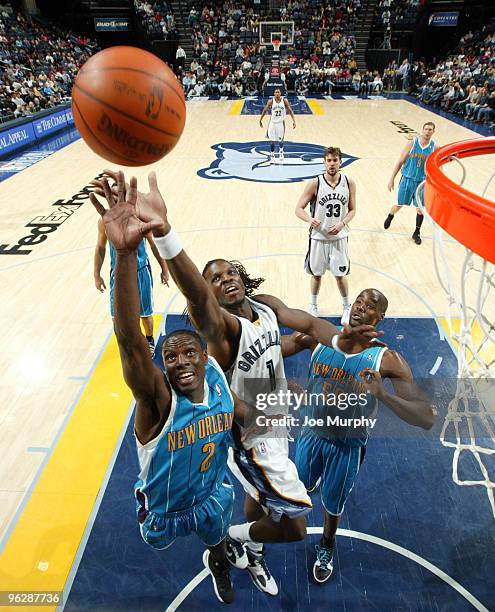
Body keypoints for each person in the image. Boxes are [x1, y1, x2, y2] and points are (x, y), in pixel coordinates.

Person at [92, 170, 381, 597]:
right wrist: (167, 236)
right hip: (250, 431)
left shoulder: (263, 309)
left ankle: (251, 549)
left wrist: (326, 342)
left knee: (255, 496)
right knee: (297, 523)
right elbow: (198, 303)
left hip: (274, 419)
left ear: (243, 279)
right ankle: (237, 542)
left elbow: (290, 334)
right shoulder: (221, 330)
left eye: (230, 273)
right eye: (214, 278)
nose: (224, 278)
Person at [90, 172, 268, 605]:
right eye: (171, 357)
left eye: (190, 353)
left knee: (216, 541)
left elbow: (237, 410)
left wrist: (260, 421)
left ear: (206, 357)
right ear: (163, 369)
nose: (183, 361)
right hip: (165, 510)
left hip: (210, 497)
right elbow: (132, 340)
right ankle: (211, 551)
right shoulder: (158, 400)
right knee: (160, 544)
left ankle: (218, 563)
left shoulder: (218, 381)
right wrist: (125, 255)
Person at [282, 288, 435, 583]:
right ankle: (310, 483)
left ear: (380, 317)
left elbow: (425, 417)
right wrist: (280, 381)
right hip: (310, 433)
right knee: (302, 484)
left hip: (346, 446)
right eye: (359, 302)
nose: (361, 308)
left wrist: (383, 396)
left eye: (370, 306)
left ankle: (327, 543)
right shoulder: (321, 338)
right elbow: (273, 348)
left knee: (332, 504)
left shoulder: (387, 360)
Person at [295, 146, 356, 322]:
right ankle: (313, 305)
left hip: (339, 237)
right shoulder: (315, 183)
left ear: (340, 162)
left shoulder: (349, 182)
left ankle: (346, 307)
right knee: (316, 274)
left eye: (335, 160)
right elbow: (298, 209)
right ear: (324, 162)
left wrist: (342, 223)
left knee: (340, 275)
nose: (332, 164)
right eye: (328, 160)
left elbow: (353, 210)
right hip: (318, 237)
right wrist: (309, 219)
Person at [93, 218, 169, 354]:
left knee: (145, 314)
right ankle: (125, 342)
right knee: (116, 315)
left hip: (140, 272)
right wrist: (96, 275)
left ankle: (149, 339)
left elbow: (153, 244)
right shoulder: (104, 220)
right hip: (118, 273)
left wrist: (164, 268)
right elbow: (100, 246)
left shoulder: (138, 218)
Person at [384, 122, 436, 245]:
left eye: (430, 130)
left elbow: (440, 163)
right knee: (398, 205)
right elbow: (400, 161)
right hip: (407, 179)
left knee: (420, 209)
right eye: (426, 129)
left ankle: (416, 232)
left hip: (422, 183)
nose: (428, 131)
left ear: (433, 132)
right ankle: (390, 215)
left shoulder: (434, 147)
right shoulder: (412, 143)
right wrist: (391, 179)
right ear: (422, 130)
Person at [259, 88, 296, 163]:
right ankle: (272, 154)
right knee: (272, 140)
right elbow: (265, 110)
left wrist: (294, 121)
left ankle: (281, 152)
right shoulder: (271, 101)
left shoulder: (284, 101)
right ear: (274, 94)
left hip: (280, 123)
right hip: (272, 123)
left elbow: (290, 110)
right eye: (275, 92)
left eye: (278, 92)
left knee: (280, 140)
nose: (277, 93)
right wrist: (260, 119)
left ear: (280, 93)